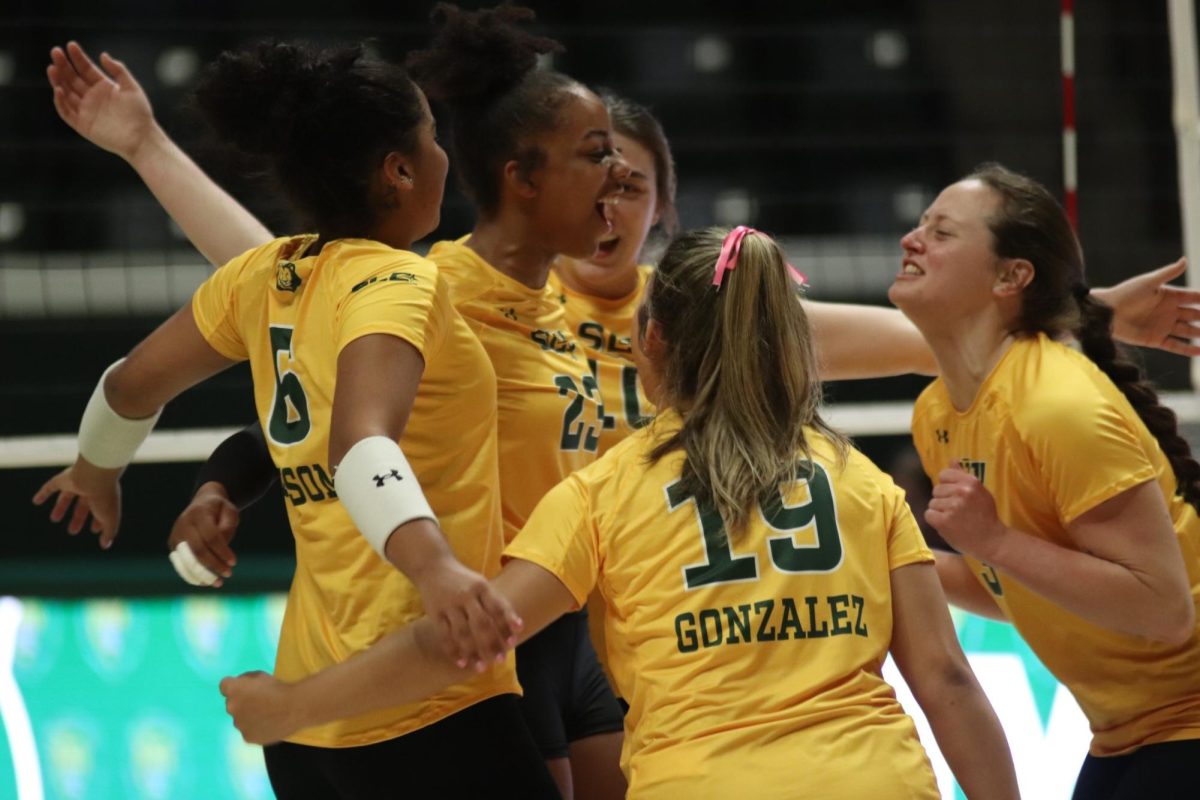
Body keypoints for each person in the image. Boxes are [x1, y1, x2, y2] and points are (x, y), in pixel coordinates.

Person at [218, 226, 1022, 800]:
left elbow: (462, 640)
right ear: (789, 347)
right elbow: (947, 679)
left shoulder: (602, 492)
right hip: (872, 780)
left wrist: (296, 705)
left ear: (650, 343)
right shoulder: (863, 483)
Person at [35, 40, 555, 799]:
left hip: (307, 728)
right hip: (422, 697)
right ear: (399, 170)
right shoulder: (401, 280)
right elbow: (359, 444)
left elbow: (129, 385)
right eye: (430, 137)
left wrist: (95, 470)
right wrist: (435, 567)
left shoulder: (266, 278)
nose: (444, 155)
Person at [893, 162, 1200, 800]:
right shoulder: (937, 413)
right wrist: (891, 556)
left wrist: (996, 541)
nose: (911, 240)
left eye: (941, 232)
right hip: (1123, 734)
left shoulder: (1056, 403)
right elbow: (1014, 585)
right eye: (920, 224)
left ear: (1012, 277)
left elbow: (1164, 608)